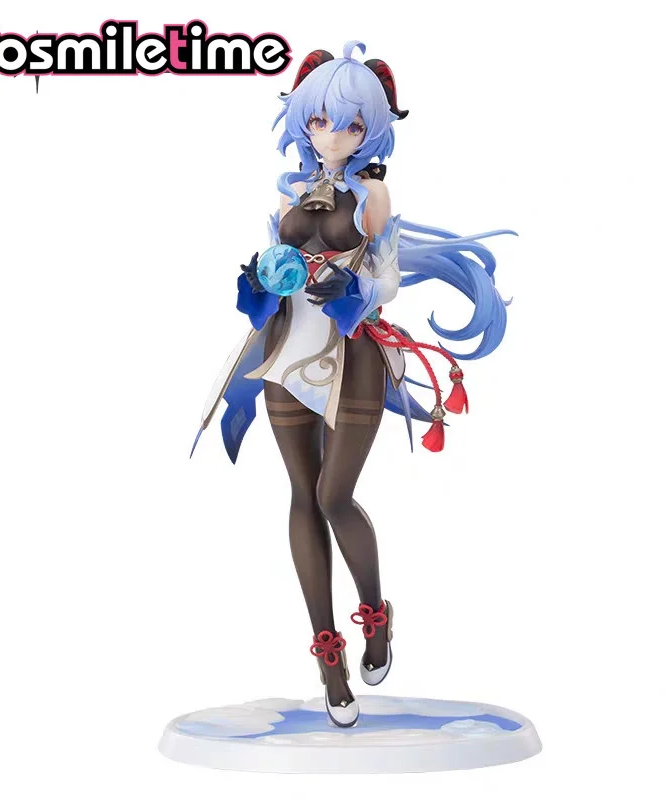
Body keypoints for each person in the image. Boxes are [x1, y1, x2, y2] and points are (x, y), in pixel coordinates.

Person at [195, 40, 515, 727]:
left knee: (333, 495)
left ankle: (374, 613)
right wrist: (262, 277)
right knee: (301, 495)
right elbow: (276, 259)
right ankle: (327, 654)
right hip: (286, 350)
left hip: (350, 351)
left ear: (371, 128)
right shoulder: (291, 191)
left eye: (347, 124)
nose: (330, 135)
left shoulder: (373, 194)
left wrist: (355, 287)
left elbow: (388, 278)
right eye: (317, 121)